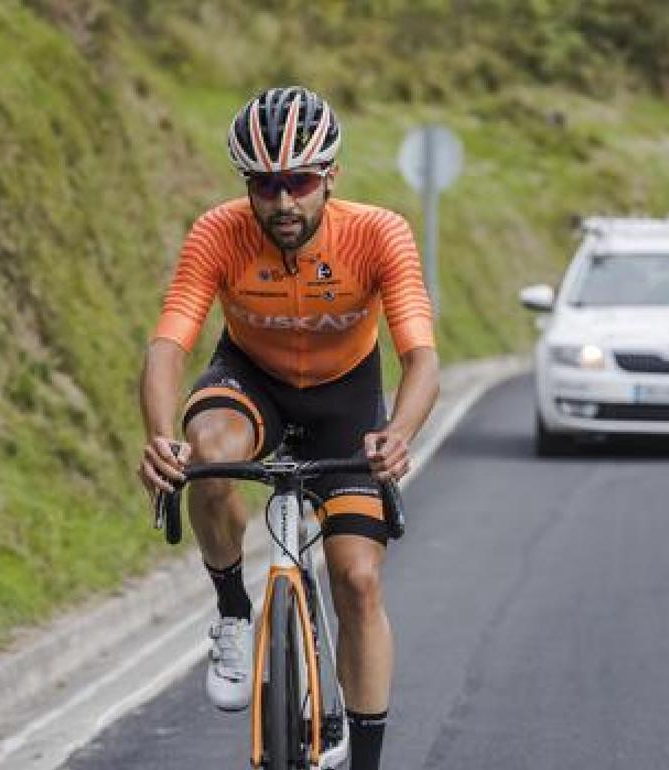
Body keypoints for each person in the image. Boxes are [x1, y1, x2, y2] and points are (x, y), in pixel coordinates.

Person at [136, 85, 439, 770]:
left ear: (330, 176)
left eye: (298, 182)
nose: (281, 202)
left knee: (357, 581)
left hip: (346, 400)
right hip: (254, 380)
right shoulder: (218, 232)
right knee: (206, 455)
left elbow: (422, 359)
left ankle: (366, 762)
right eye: (263, 185)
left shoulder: (379, 233)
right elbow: (167, 346)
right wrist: (160, 436)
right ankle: (233, 611)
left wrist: (399, 433)